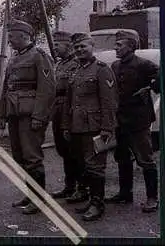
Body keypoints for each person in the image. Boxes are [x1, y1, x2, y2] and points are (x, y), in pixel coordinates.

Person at [0, 19, 56, 215]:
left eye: (12, 36)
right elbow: (6, 88)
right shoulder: (14, 58)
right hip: (14, 114)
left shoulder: (39, 56)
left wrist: (40, 116)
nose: (10, 40)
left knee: (32, 157)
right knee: (20, 157)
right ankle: (30, 195)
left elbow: (47, 90)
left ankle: (38, 200)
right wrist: (1, 114)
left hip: (30, 116)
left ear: (24, 36)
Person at [61, 32, 118, 221]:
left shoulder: (102, 69)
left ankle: (97, 205)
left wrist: (107, 128)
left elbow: (109, 102)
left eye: (83, 46)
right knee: (83, 165)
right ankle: (92, 199)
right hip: (77, 126)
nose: (79, 50)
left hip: (95, 127)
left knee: (95, 167)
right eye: (76, 47)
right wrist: (66, 126)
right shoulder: (75, 70)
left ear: (92, 47)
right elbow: (69, 102)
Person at [105, 29, 160, 213]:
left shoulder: (143, 64)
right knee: (122, 157)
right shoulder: (115, 66)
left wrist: (150, 87)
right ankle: (125, 193)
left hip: (139, 120)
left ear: (131, 46)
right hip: (120, 119)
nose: (116, 48)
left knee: (145, 159)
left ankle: (152, 198)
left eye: (119, 44)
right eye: (116, 44)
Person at [50, 30, 86, 200]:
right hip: (58, 109)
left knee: (75, 150)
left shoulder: (76, 63)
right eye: (54, 44)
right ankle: (69, 186)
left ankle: (82, 188)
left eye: (58, 44)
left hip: (71, 109)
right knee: (63, 149)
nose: (55, 48)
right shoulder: (59, 64)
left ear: (68, 46)